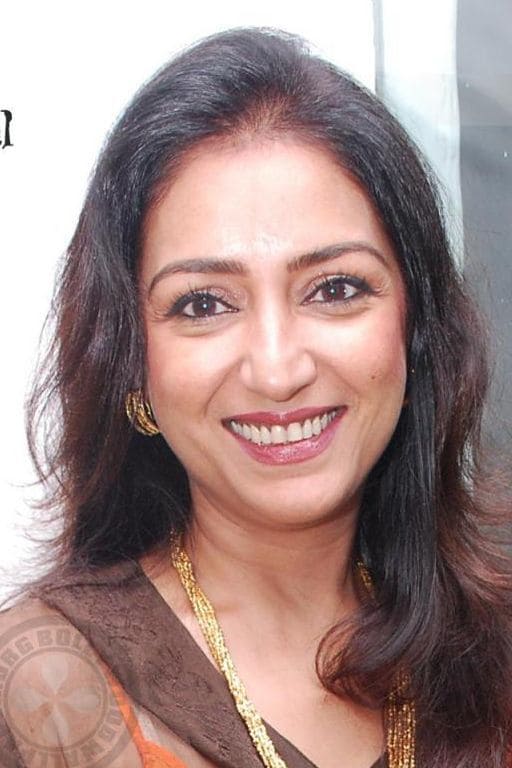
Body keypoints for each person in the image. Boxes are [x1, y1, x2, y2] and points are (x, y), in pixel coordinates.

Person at [0, 25, 510, 768]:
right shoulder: (46, 690)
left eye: (335, 289)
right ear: (133, 366)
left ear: (416, 329)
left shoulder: (494, 654)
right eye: (204, 303)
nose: (277, 369)